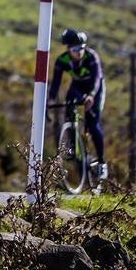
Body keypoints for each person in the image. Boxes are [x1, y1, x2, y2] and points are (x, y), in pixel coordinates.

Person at [49, 28, 108, 182]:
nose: (80, 51)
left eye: (82, 47)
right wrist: (50, 101)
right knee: (69, 108)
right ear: (68, 49)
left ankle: (102, 163)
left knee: (93, 124)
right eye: (76, 49)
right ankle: (73, 144)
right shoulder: (62, 60)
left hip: (95, 89)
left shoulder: (91, 56)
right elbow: (55, 84)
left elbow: (97, 79)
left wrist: (91, 96)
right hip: (77, 88)